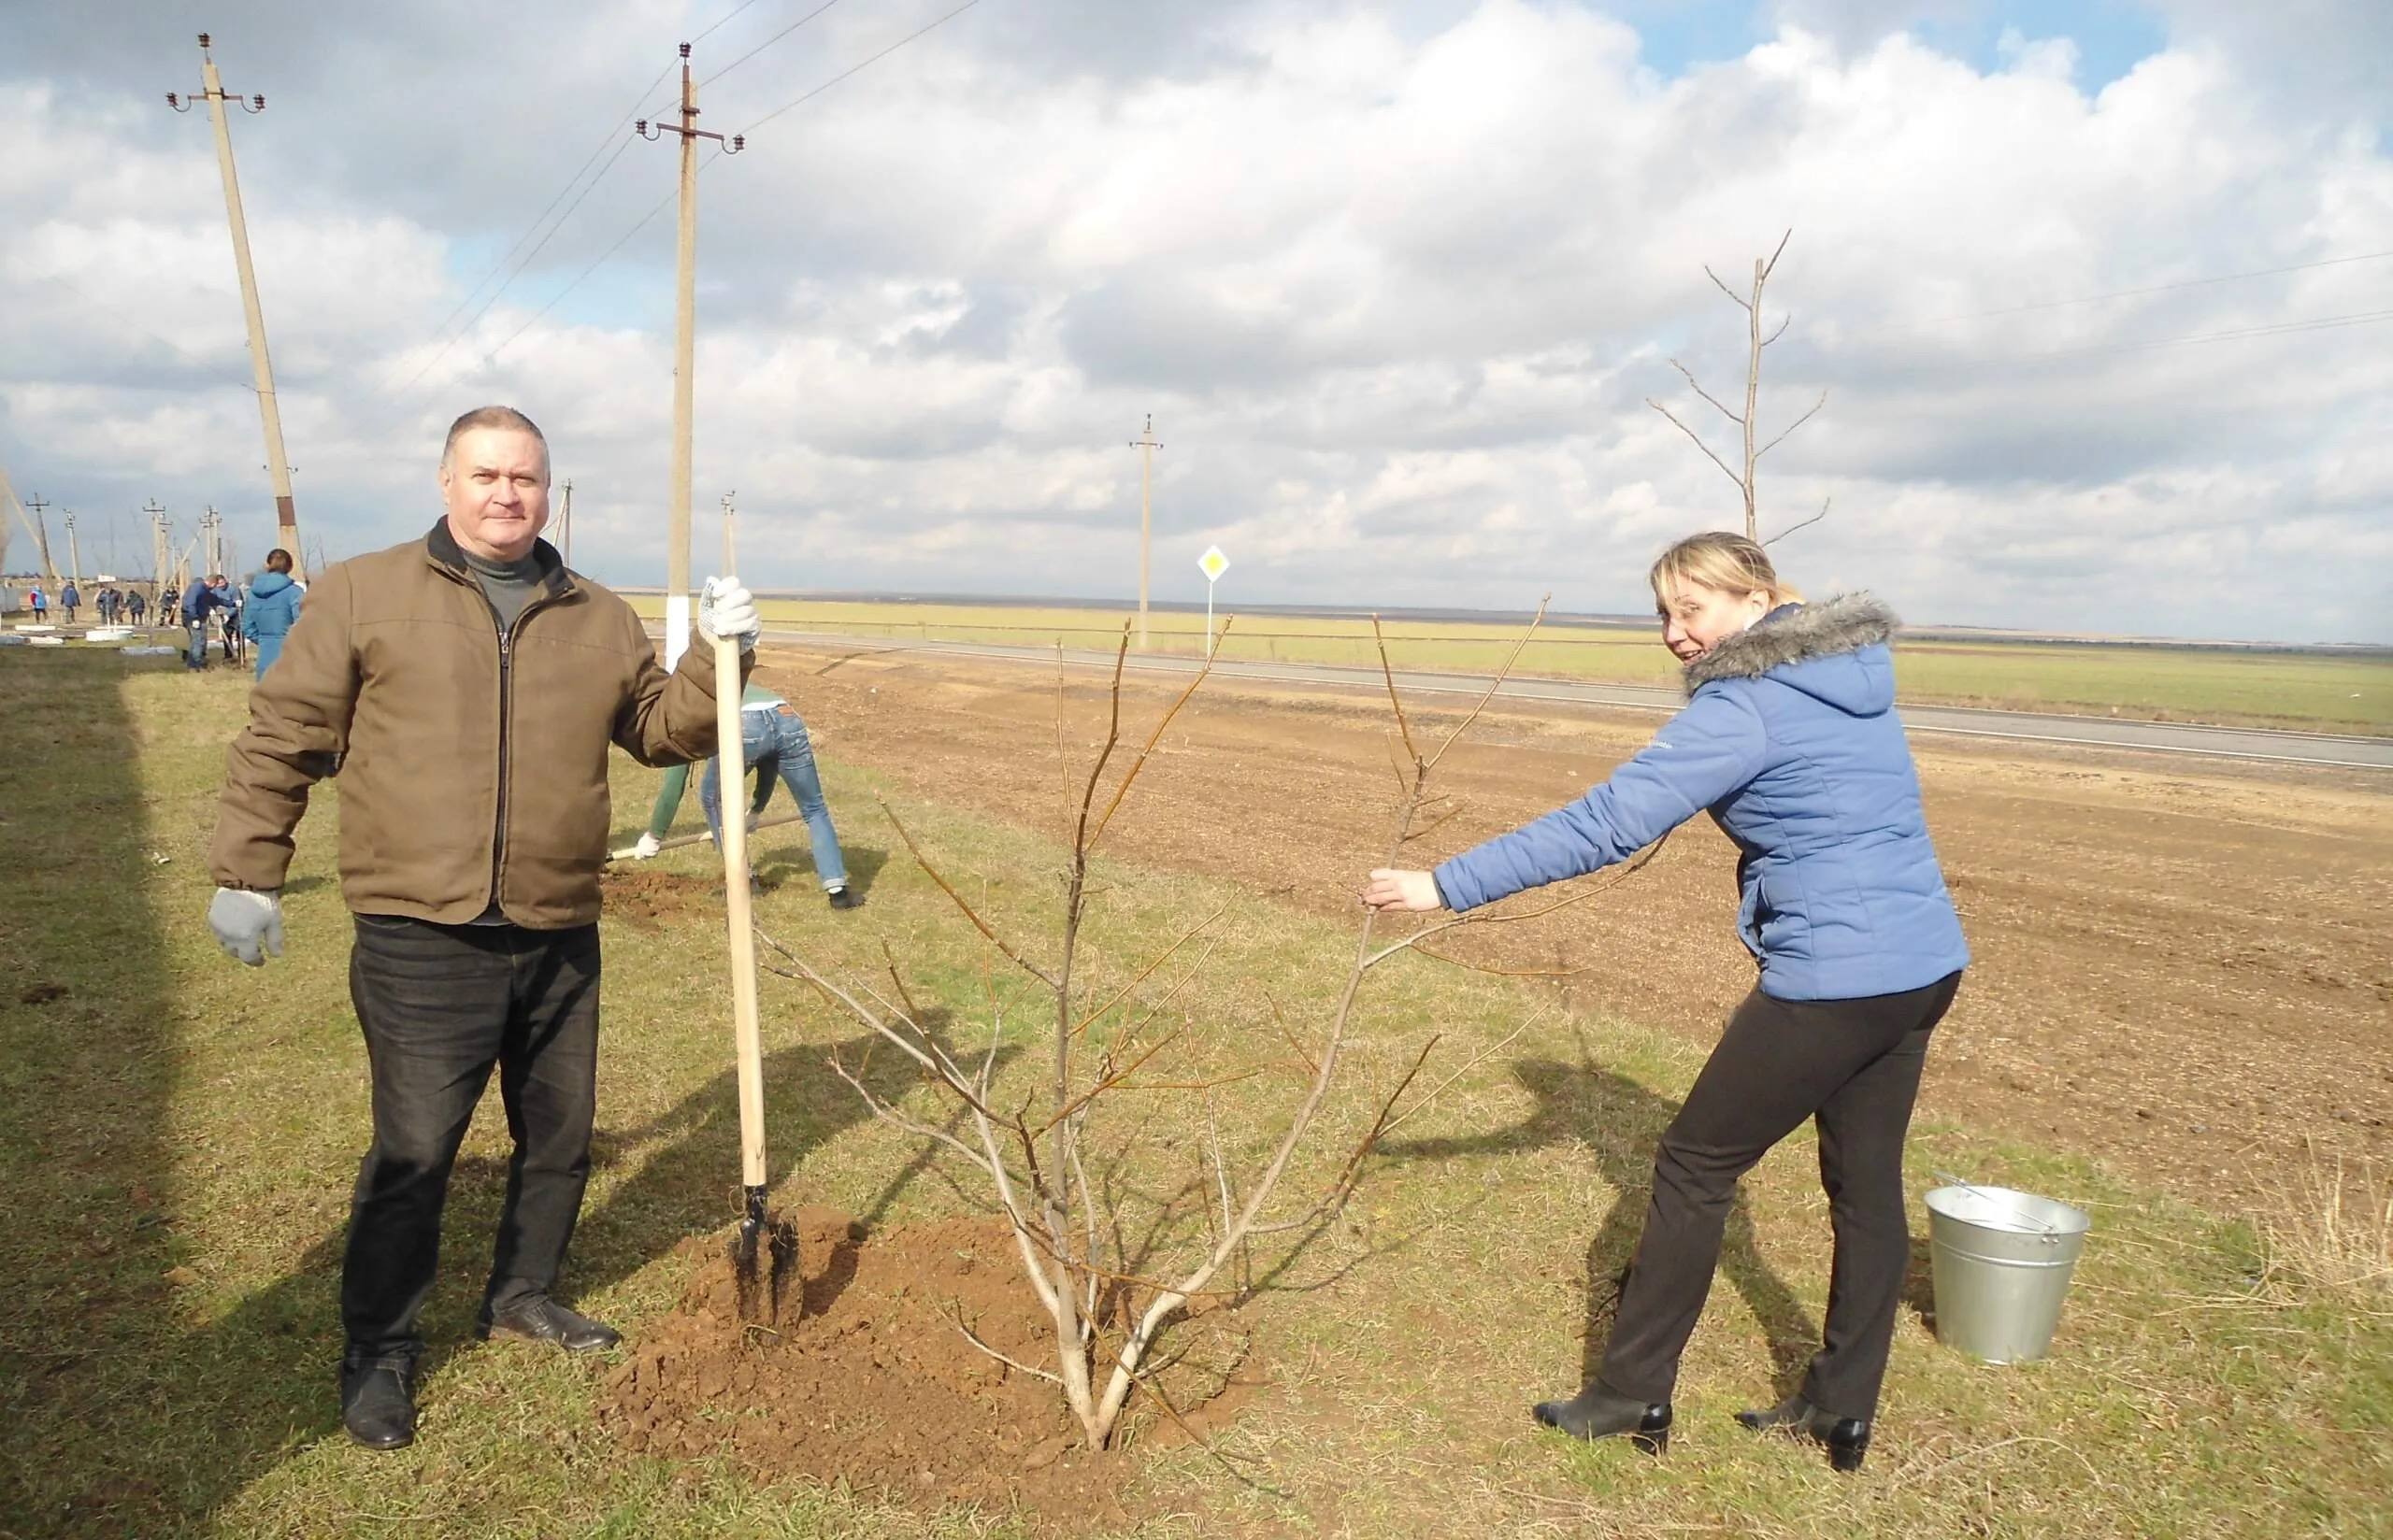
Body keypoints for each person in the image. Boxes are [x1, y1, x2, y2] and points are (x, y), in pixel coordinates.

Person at [204, 404, 760, 1452]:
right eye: (487, 474)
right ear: (446, 482)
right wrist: (249, 869)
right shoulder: (366, 592)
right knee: (416, 1149)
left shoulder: (596, 613)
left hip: (556, 924)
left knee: (557, 1135)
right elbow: (285, 732)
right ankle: (379, 1350)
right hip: (422, 930)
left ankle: (522, 1292)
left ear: (550, 492)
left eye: (528, 478)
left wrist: (720, 660)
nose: (508, 494)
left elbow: (659, 732)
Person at [1362, 532, 1968, 1473]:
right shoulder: (1846, 672)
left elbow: (1605, 823)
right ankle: (1842, 1404)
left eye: (1693, 608)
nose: (1674, 632)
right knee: (1864, 1182)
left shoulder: (1745, 706)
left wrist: (1448, 883)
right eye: (1662, 612)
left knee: (1692, 1165)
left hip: (1836, 979)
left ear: (1757, 604)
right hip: (1921, 967)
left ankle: (1628, 1393)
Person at [631, 683, 861, 909]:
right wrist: (756, 810)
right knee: (814, 808)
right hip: (786, 715)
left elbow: (674, 783)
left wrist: (654, 835)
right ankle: (838, 891)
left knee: (712, 798)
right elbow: (768, 760)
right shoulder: (705, 684)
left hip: (744, 722)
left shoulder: (680, 717)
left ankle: (743, 881)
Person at [243, 549, 305, 678]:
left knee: (265, 696)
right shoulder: (294, 592)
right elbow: (303, 624)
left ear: (267, 565)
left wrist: (265, 640)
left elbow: (247, 627)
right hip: (290, 657)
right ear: (290, 566)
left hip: (264, 657)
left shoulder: (252, 594)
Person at [180, 574, 232, 670]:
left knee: (198, 641)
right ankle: (195, 665)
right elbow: (190, 603)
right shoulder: (197, 588)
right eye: (215, 585)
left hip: (200, 618)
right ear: (212, 583)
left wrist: (231, 603)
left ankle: (195, 662)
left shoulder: (205, 591)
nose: (215, 588)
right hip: (192, 618)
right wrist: (194, 618)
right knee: (198, 641)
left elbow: (215, 600)